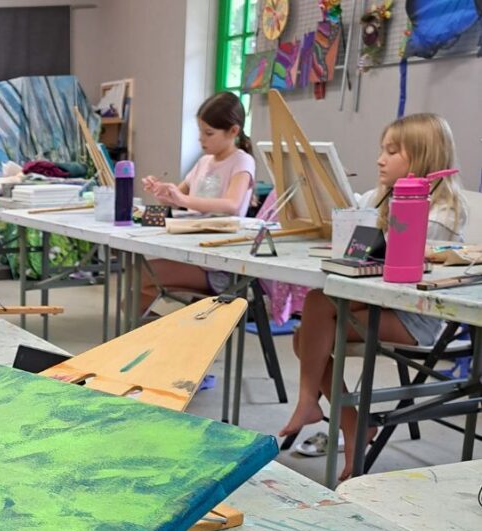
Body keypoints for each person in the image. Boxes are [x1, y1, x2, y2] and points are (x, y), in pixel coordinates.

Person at [279, 113, 469, 480]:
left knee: (309, 334)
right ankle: (347, 422)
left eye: (392, 151)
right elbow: (357, 250)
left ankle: (337, 416)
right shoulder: (377, 196)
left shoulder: (440, 214)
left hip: (417, 316)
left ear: (423, 159)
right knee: (315, 309)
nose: (380, 159)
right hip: (380, 301)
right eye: (382, 150)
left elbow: (399, 273)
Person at [138, 91, 256, 312]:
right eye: (200, 131)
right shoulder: (204, 161)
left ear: (233, 131)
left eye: (209, 133)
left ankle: (152, 337)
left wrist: (182, 198)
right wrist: (162, 191)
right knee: (137, 279)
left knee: (143, 275)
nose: (201, 138)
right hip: (194, 251)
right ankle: (150, 335)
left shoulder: (242, 161)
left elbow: (232, 204)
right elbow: (176, 199)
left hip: (218, 264)